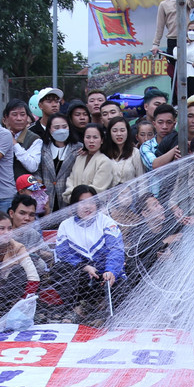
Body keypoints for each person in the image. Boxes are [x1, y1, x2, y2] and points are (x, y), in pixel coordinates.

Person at [52, 186, 124, 324]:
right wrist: (85, 267)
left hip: (104, 272)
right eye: (82, 202)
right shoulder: (65, 225)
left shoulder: (106, 222)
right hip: (82, 273)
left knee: (124, 273)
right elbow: (63, 253)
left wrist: (111, 270)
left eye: (91, 202)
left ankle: (101, 307)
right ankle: (76, 309)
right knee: (59, 270)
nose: (88, 206)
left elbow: (116, 249)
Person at [102, 117, 145, 185]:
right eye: (114, 131)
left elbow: (141, 180)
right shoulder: (103, 153)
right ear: (109, 133)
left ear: (128, 132)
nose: (119, 134)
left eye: (122, 130)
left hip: (131, 194)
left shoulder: (135, 152)